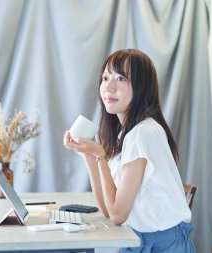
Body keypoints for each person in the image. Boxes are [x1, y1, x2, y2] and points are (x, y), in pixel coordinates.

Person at [63, 49, 196, 252]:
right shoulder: (127, 134)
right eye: (105, 78)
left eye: (121, 78)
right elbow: (107, 209)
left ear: (141, 87)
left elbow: (117, 215)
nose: (109, 86)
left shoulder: (143, 133)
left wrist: (100, 155)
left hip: (163, 246)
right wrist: (90, 158)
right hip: (140, 241)